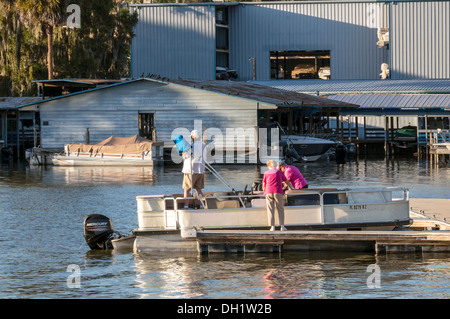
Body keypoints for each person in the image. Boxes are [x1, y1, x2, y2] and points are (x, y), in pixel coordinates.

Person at [262, 160, 293, 231]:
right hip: (278, 191)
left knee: (270, 210)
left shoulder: (266, 173)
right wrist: (291, 188)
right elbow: (286, 181)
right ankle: (282, 226)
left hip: (268, 192)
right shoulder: (279, 172)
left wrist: (264, 192)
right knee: (280, 209)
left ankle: (272, 227)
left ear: (269, 166)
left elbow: (264, 184)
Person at [182, 130, 206, 208]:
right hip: (200, 171)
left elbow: (186, 156)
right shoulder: (203, 146)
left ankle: (186, 206)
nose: (191, 138)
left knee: (187, 189)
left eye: (192, 137)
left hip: (190, 170)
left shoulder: (192, 146)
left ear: (194, 137)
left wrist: (182, 153)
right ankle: (202, 205)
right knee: (198, 189)